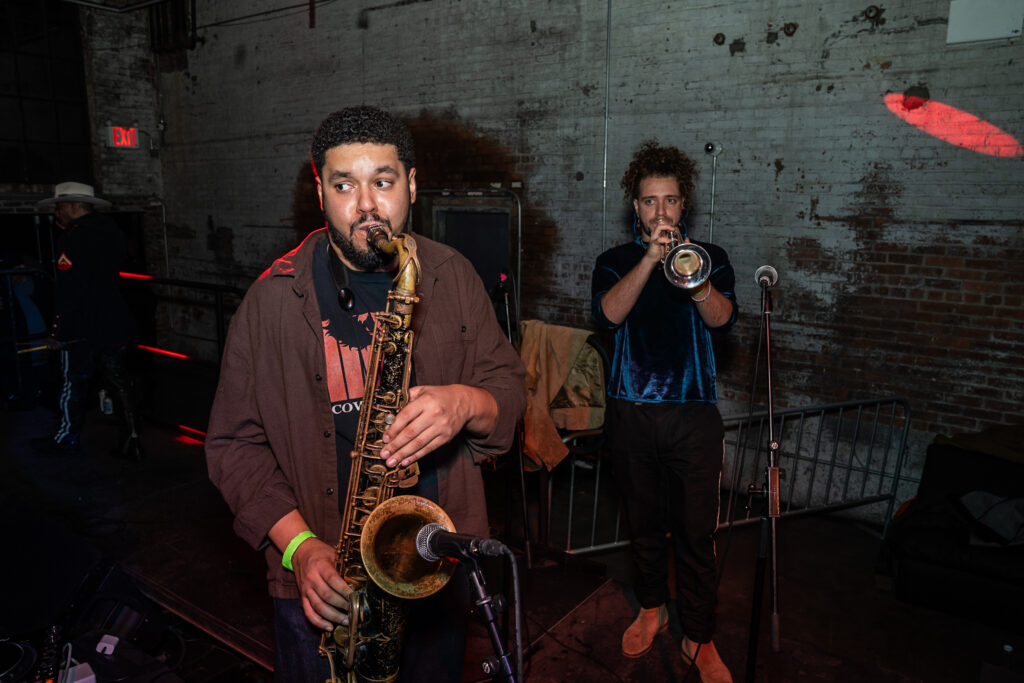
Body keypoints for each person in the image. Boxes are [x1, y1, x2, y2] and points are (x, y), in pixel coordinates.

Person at [205, 106, 526, 683]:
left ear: (412, 185)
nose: (366, 206)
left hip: (432, 568)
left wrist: (464, 403)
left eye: (382, 181)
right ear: (320, 194)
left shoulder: (452, 275)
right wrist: (300, 548)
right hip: (325, 585)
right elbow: (233, 446)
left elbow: (508, 388)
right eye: (343, 185)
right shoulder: (270, 301)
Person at [591, 140, 737, 682]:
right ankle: (652, 609)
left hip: (693, 417)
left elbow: (723, 320)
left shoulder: (710, 257)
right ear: (636, 206)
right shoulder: (614, 262)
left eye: (669, 200)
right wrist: (651, 259)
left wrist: (693, 278)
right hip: (631, 413)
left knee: (697, 536)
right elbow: (607, 317)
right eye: (650, 201)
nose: (660, 211)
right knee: (644, 528)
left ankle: (699, 635)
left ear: (684, 205)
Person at [33, 182, 139, 458]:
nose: (57, 212)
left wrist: (57, 330)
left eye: (60, 206)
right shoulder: (113, 231)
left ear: (74, 206)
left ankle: (66, 438)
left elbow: (69, 289)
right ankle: (132, 439)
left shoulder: (72, 239)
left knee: (74, 382)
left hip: (82, 326)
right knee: (119, 383)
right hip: (114, 320)